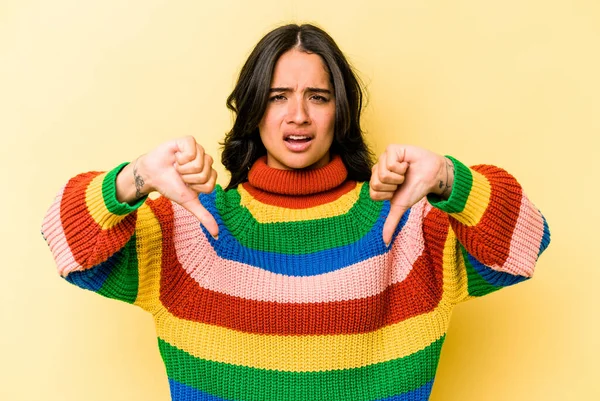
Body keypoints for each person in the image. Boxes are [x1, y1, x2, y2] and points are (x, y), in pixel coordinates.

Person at [42, 23, 550, 401]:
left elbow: (528, 243)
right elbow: (66, 245)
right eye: (278, 96)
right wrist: (134, 179)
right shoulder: (192, 227)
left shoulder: (406, 225)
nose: (298, 115)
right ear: (253, 108)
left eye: (318, 97)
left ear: (341, 111)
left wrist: (448, 179)